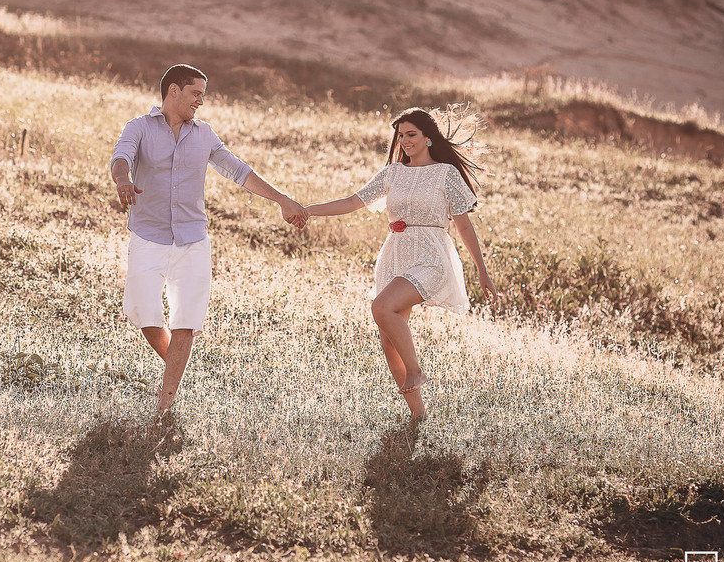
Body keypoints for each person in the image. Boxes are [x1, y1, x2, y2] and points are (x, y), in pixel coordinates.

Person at [110, 64, 308, 417]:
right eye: (195, 93)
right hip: (148, 237)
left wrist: (282, 199)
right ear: (173, 91)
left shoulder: (204, 134)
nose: (201, 101)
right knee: (143, 313)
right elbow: (120, 158)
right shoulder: (138, 127)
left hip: (193, 241)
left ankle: (165, 406)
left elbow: (239, 170)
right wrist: (122, 180)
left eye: (203, 94)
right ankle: (179, 369)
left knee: (186, 321)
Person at [305, 107, 496, 420]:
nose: (405, 141)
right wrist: (308, 210)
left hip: (432, 257)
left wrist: (482, 270)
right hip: (396, 255)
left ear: (428, 137)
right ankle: (418, 416)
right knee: (388, 338)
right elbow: (353, 202)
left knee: (382, 308)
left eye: (412, 134)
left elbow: (463, 226)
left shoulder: (446, 174)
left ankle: (415, 371)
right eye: (401, 135)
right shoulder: (393, 173)